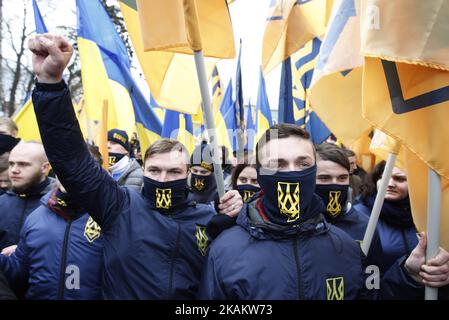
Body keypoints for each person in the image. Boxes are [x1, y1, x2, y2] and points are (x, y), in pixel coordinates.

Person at [29, 33, 243, 299]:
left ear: (187, 174)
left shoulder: (207, 218)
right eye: (155, 170)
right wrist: (50, 84)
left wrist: (238, 215)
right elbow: (73, 162)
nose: (163, 178)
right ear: (143, 170)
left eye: (174, 171)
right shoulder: (119, 205)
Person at [198, 124, 449, 300]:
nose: (292, 172)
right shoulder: (224, 250)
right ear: (261, 173)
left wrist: (408, 276)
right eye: (278, 164)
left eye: (303, 163)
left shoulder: (345, 246)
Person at [0, 144, 104, 300]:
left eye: (77, 167)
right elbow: (18, 273)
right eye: (62, 166)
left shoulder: (113, 216)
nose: (68, 173)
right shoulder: (37, 217)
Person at [314, 143, 383, 270]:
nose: (335, 184)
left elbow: (373, 280)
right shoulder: (295, 224)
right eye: (324, 178)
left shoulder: (365, 225)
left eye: (342, 178)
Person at [354, 161, 418, 272]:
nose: (390, 184)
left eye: (400, 179)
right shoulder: (358, 215)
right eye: (384, 177)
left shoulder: (423, 215)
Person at [0, 141, 55, 250]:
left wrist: (24, 251)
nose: (14, 170)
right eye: (11, 164)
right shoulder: (2, 202)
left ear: (44, 168)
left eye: (23, 164)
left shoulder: (60, 203)